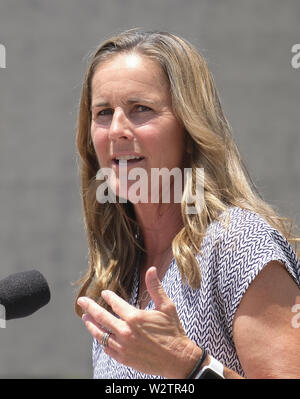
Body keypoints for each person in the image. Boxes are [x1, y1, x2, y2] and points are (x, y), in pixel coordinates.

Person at [75, 29, 300, 379]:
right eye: (103, 112)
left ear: (190, 126)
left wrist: (189, 365)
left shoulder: (239, 243)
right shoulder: (117, 271)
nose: (116, 129)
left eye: (140, 109)